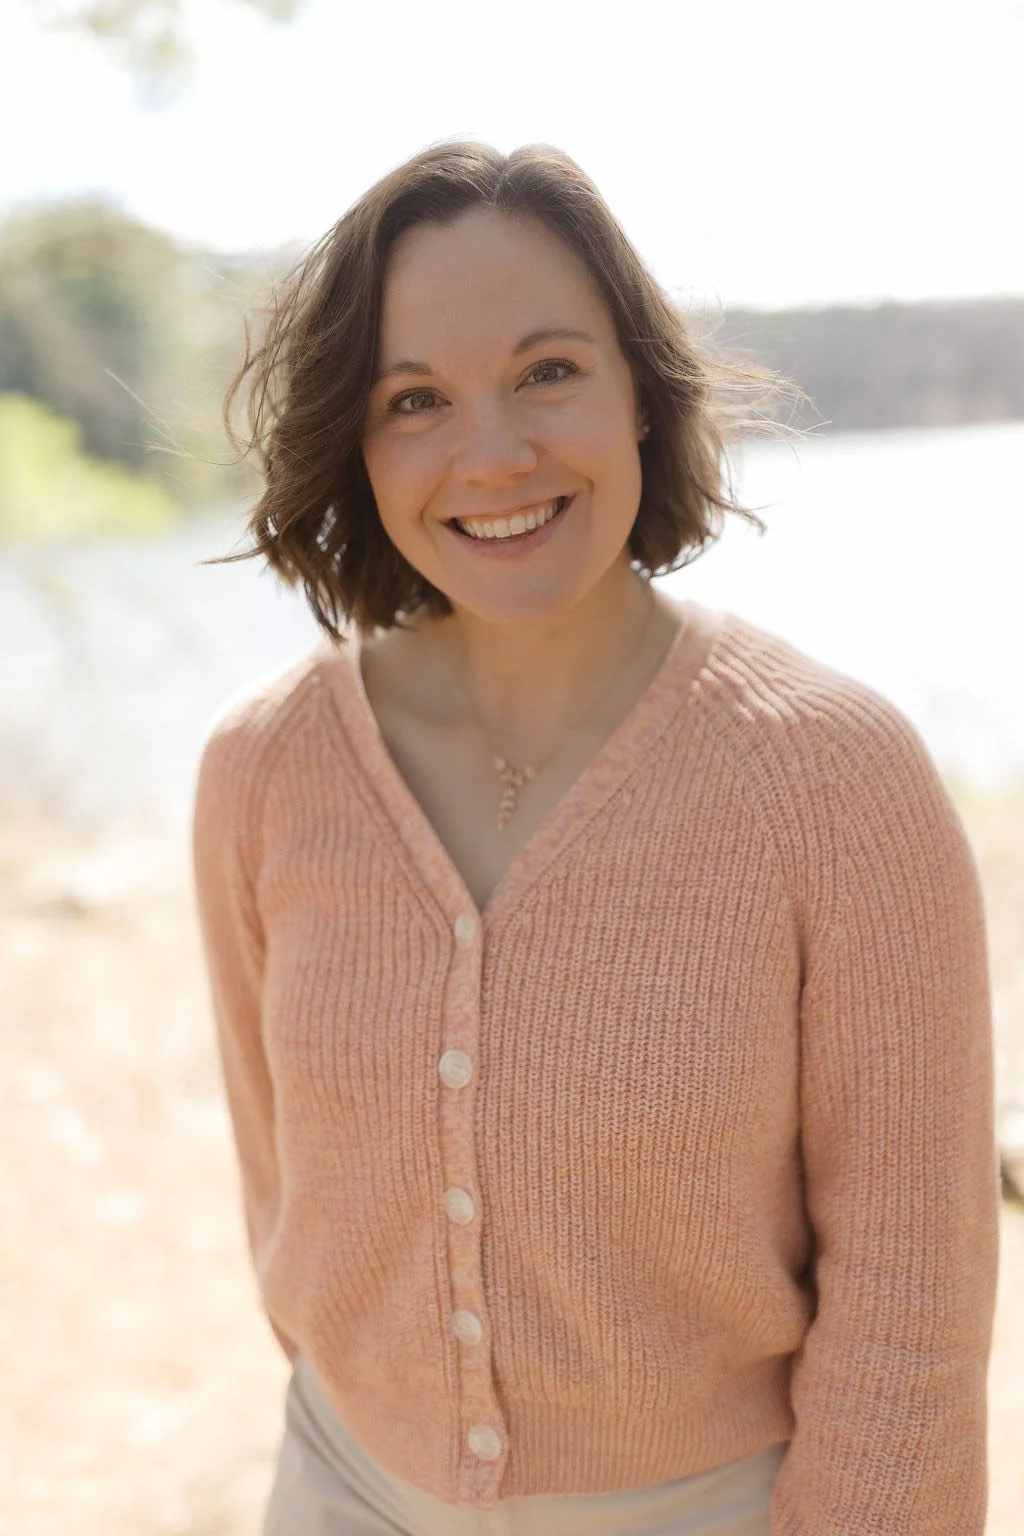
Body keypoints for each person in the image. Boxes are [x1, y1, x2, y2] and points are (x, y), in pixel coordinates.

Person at [190, 141, 1000, 1536]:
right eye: (416, 399)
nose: (491, 454)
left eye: (548, 371)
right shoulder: (264, 770)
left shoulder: (834, 777)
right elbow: (286, 1202)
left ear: (639, 391)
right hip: (335, 1492)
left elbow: (913, 1307)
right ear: (357, 441)